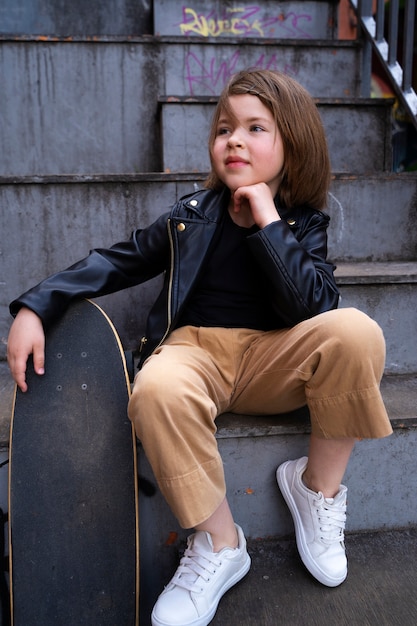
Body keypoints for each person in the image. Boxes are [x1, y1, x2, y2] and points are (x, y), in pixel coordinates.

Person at [7, 68, 392, 626]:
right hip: (196, 353)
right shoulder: (190, 217)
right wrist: (36, 304)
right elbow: (116, 261)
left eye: (255, 128)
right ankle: (219, 543)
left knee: (357, 330)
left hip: (273, 357)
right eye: (223, 127)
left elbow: (313, 307)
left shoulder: (304, 223)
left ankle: (316, 488)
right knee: (156, 387)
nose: (233, 138)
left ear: (294, 145)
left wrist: (267, 217)